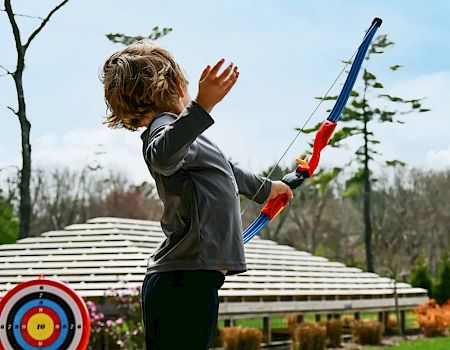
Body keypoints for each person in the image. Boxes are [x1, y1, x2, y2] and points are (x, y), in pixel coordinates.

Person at [102, 40, 293, 349]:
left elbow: (228, 171)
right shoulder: (164, 129)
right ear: (177, 86)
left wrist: (270, 190)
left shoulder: (184, 136)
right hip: (181, 282)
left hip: (189, 281)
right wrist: (201, 107)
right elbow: (162, 155)